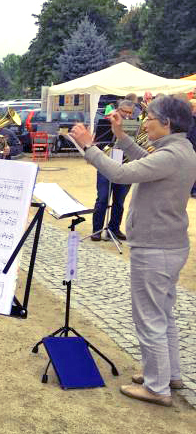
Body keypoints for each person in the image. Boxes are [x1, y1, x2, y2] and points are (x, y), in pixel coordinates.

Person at [70, 96, 196, 407]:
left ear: (167, 123)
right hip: (168, 245)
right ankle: (169, 375)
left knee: (149, 318)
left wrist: (89, 147)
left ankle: (157, 388)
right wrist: (123, 138)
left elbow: (122, 174)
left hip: (156, 248)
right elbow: (144, 161)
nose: (144, 122)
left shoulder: (171, 155)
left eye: (149, 117)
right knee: (163, 314)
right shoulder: (180, 149)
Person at [90, 100, 136, 242]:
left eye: (130, 113)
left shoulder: (133, 125)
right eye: (124, 112)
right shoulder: (106, 122)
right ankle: (97, 230)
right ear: (118, 109)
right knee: (102, 198)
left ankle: (113, 229)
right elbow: (99, 143)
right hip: (106, 165)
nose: (127, 115)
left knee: (119, 201)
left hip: (124, 166)